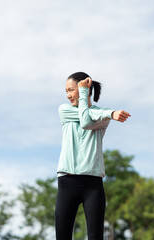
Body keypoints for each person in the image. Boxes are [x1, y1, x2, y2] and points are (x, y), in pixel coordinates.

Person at [55, 72, 131, 240]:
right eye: (66, 91)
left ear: (85, 90)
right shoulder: (64, 110)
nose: (68, 95)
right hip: (67, 181)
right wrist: (111, 113)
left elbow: (87, 120)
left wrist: (108, 113)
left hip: (93, 184)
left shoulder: (103, 114)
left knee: (96, 236)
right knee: (62, 235)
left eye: (71, 90)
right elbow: (86, 120)